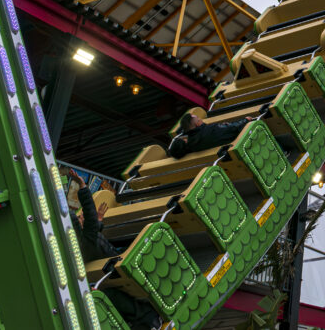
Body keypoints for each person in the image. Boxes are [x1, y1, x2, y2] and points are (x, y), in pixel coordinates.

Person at [67, 170, 160, 330]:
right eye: (79, 219)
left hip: (108, 271)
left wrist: (99, 221)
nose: (82, 217)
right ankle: (150, 321)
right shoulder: (87, 239)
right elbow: (90, 220)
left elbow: (93, 228)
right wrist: (82, 186)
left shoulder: (80, 246)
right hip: (117, 262)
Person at [167, 112, 254, 159]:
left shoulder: (191, 148)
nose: (200, 119)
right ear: (197, 124)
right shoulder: (212, 129)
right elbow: (233, 128)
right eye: (198, 118)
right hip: (243, 149)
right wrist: (246, 120)